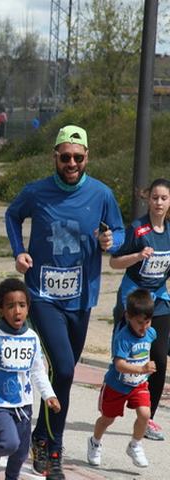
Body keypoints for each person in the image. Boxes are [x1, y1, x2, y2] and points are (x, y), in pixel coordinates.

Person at [5, 125, 124, 479]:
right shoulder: (37, 191)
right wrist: (19, 251)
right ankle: (54, 450)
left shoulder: (101, 193)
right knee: (66, 368)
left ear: (87, 158)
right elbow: (12, 215)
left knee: (63, 375)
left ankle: (41, 436)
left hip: (82, 296)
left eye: (78, 157)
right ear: (54, 157)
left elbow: (117, 230)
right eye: (65, 157)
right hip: (42, 296)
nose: (71, 162)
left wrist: (110, 242)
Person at [0, 278, 61, 480]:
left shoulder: (32, 338)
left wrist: (49, 395)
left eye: (22, 305)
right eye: (10, 306)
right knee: (9, 443)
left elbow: (38, 370)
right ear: (0, 311)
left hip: (24, 406)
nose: (17, 311)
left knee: (21, 452)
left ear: (28, 308)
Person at [108, 178, 170, 441]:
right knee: (127, 355)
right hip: (133, 299)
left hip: (159, 298)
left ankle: (149, 419)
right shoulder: (137, 229)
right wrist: (137, 256)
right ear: (148, 199)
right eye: (154, 198)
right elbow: (114, 262)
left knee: (158, 357)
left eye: (163, 198)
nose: (158, 203)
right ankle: (112, 397)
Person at [86, 289, 156, 469]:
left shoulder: (151, 333)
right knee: (107, 419)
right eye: (140, 322)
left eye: (147, 321)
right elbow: (119, 364)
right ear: (128, 316)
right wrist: (142, 368)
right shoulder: (123, 337)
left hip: (138, 384)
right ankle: (95, 442)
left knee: (145, 414)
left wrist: (144, 371)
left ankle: (135, 445)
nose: (144, 326)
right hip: (116, 385)